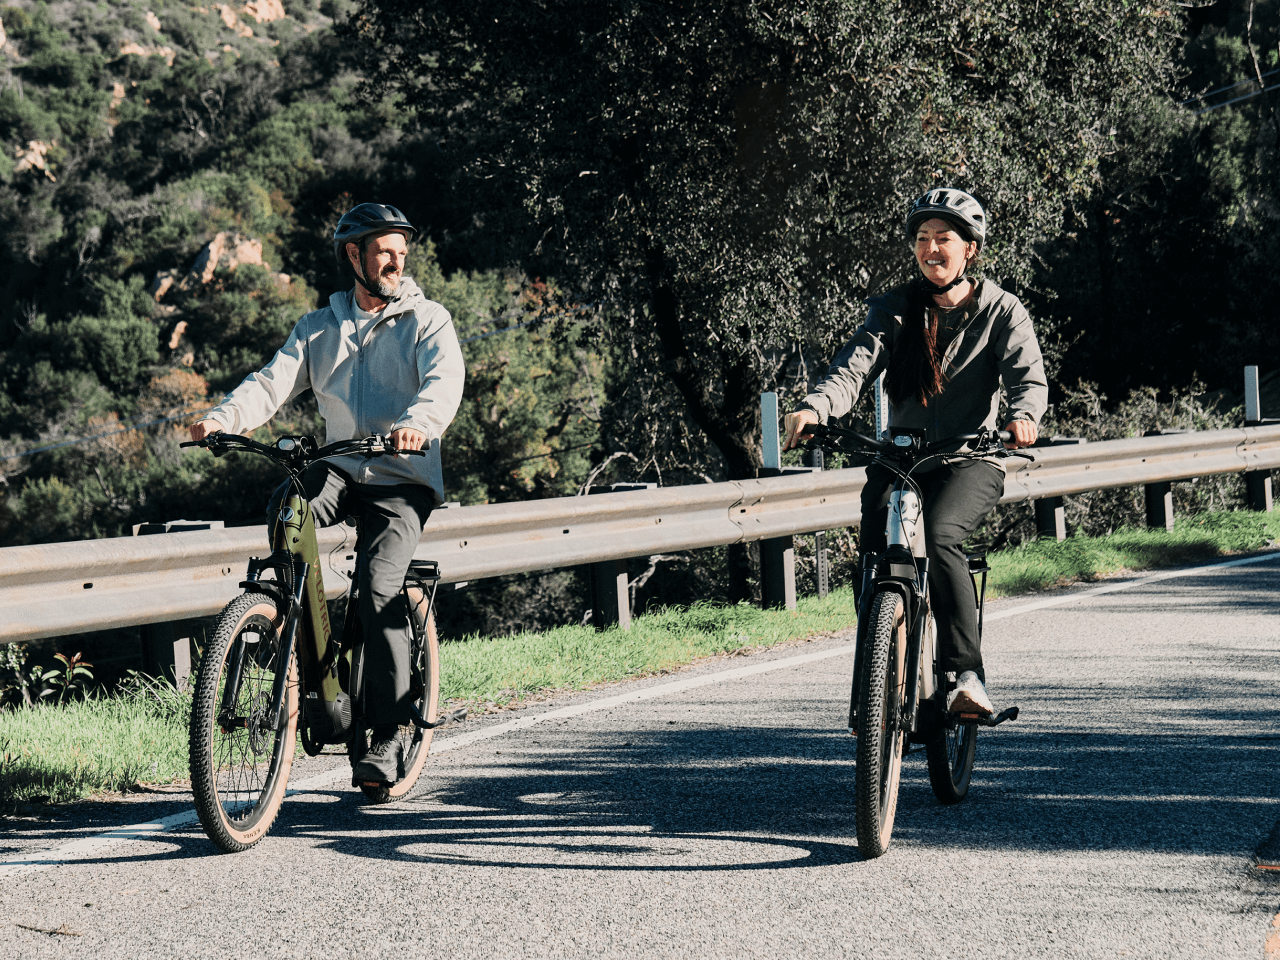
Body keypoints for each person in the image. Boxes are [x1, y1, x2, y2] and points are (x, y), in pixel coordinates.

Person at [189, 202, 465, 784]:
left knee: (379, 587)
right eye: (384, 251)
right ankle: (297, 633)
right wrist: (222, 419)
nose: (396, 261)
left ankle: (389, 732)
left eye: (401, 251)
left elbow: (444, 383)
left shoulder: (427, 320)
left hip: (401, 476)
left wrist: (418, 425)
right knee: (286, 508)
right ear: (354, 255)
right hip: (340, 467)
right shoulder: (319, 327)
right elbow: (271, 382)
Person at [782, 187, 1046, 716]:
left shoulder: (1001, 311)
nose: (931, 248)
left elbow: (1027, 378)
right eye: (922, 238)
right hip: (899, 458)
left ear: (969, 248)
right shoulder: (896, 308)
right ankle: (878, 660)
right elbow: (853, 366)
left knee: (943, 537)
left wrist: (1023, 419)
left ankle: (965, 676)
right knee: (877, 543)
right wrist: (816, 407)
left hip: (969, 459)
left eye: (943, 238)